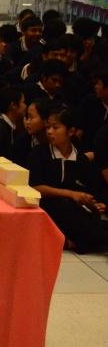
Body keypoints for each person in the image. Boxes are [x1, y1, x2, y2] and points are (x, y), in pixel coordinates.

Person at [29, 106, 108, 253]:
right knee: (62, 205)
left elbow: (93, 190)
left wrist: (97, 203)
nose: (49, 131)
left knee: (89, 216)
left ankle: (79, 242)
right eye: (48, 127)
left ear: (71, 131)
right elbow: (35, 188)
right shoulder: (40, 153)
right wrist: (71, 194)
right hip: (49, 208)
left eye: (55, 127)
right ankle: (87, 241)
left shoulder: (81, 159)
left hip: (76, 213)